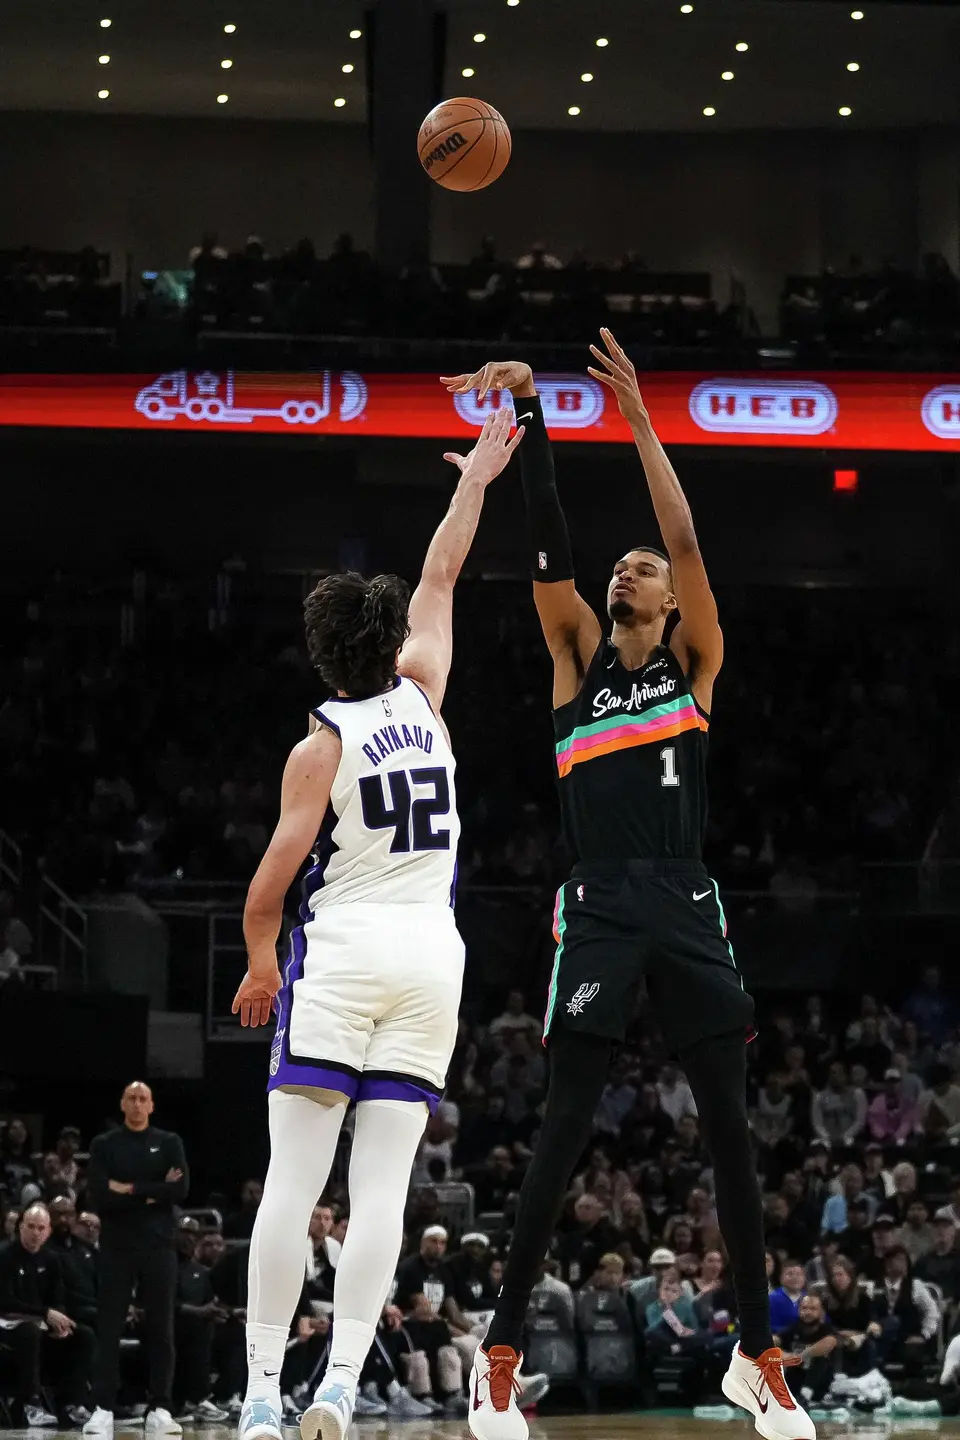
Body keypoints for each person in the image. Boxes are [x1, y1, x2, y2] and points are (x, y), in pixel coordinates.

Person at [442, 338, 813, 1440]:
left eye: (641, 569)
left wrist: (642, 419)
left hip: (688, 902)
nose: (628, 572)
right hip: (599, 902)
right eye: (623, 568)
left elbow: (687, 539)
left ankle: (757, 1357)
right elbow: (548, 532)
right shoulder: (574, 654)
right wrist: (533, 411)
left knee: (731, 1131)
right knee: (563, 1127)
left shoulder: (696, 664)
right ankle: (499, 1358)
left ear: (668, 596)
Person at [230, 408, 525, 1440]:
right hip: (433, 961)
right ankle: (342, 1388)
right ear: (390, 643)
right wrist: (475, 480)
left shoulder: (319, 746)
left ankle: (261, 1395)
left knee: (293, 1185)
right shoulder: (427, 695)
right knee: (383, 1191)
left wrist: (259, 966)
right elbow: (441, 574)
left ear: (324, 657)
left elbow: (267, 891)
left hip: (347, 955)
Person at [82, 1080, 189, 1438]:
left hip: (159, 1246)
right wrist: (154, 1191)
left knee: (161, 1328)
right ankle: (102, 1407)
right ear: (122, 1103)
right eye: (132, 1098)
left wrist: (128, 1188)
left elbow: (180, 1189)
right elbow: (100, 1195)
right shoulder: (104, 1144)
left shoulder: (169, 1142)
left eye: (143, 1099)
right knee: (109, 1327)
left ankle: (160, 1406)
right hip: (116, 1247)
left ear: (152, 1105)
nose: (138, 1104)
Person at [0, 1202, 96, 1427]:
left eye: (41, 1228)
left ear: (48, 1231)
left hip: (40, 1322)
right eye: (31, 1226)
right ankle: (31, 1404)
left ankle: (73, 1403)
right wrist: (45, 1314)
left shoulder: (51, 1259)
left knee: (84, 1335)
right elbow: (5, 1301)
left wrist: (59, 1320)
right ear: (20, 1227)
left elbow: (58, 1298)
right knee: (29, 1332)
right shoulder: (5, 1256)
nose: (36, 1233)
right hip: (9, 1323)